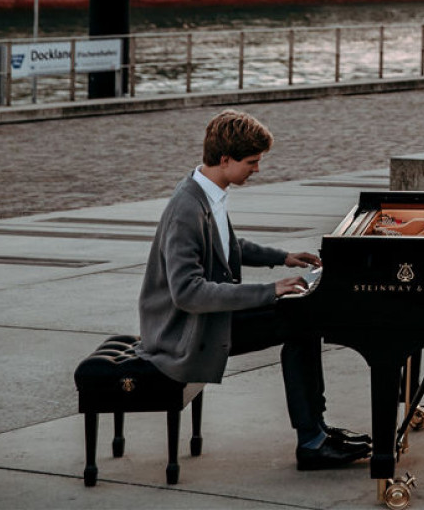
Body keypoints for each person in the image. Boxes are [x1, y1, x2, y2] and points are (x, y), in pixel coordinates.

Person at [136, 109, 370, 471]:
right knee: (301, 321)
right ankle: (311, 441)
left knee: (305, 315)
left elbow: (229, 245)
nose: (257, 170)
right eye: (251, 162)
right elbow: (188, 293)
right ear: (225, 159)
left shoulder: (206, 192)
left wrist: (285, 257)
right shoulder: (187, 208)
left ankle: (317, 432)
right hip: (182, 332)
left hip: (203, 320)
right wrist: (270, 290)